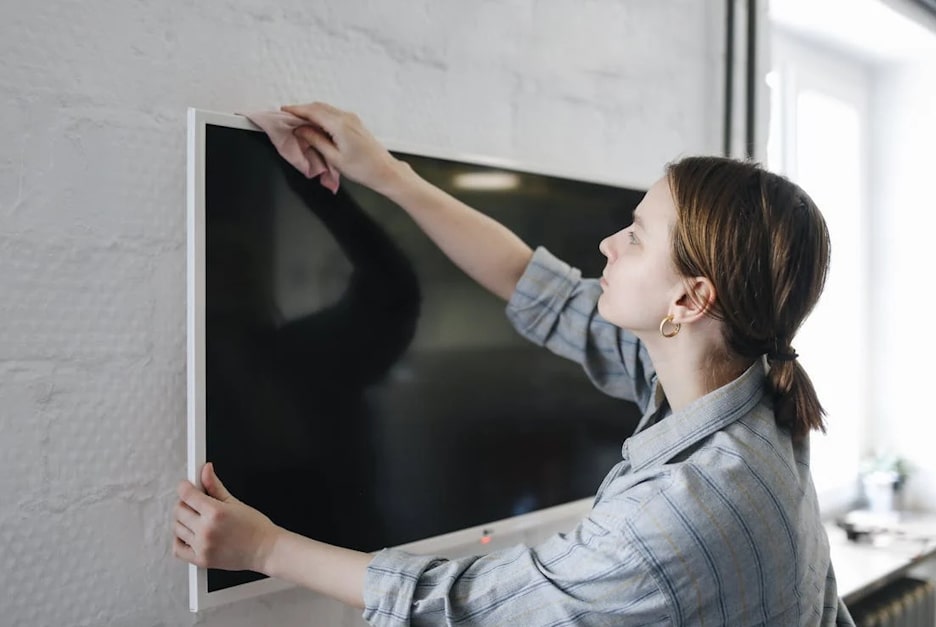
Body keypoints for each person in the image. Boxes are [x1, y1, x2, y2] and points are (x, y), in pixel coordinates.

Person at [172, 101, 855, 625]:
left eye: (638, 236)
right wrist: (386, 174)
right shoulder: (746, 388)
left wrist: (262, 549)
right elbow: (536, 285)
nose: (609, 242)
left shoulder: (671, 521)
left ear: (691, 298)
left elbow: (468, 603)